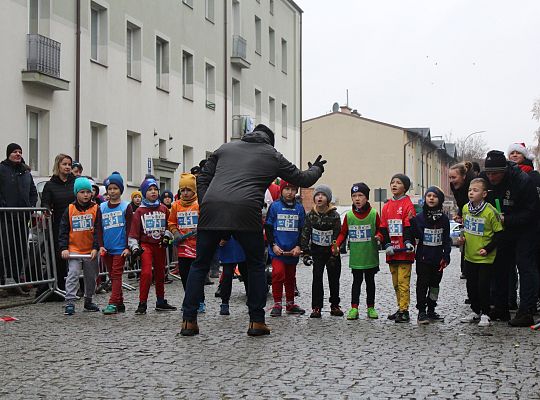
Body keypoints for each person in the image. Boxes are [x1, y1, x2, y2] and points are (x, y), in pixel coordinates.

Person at [180, 124, 324, 337]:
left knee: (199, 265)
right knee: (255, 265)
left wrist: (207, 201)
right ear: (269, 141)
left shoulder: (225, 148)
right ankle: (256, 321)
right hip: (246, 212)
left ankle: (188, 321)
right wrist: (317, 168)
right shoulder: (271, 154)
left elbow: (202, 178)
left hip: (211, 211)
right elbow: (303, 179)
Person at [479, 150, 539, 327]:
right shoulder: (485, 179)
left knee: (525, 265)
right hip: (503, 229)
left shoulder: (522, 180)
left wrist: (508, 219)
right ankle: (500, 306)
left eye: (496, 173)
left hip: (526, 228)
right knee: (500, 265)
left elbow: (532, 212)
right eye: (489, 173)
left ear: (504, 170)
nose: (492, 177)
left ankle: (526, 311)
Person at [128, 177, 177, 315]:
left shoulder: (163, 208)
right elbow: (133, 232)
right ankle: (142, 303)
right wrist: (134, 247)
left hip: (160, 245)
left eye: (155, 189)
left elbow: (170, 224)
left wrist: (168, 236)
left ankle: (160, 301)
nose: (153, 192)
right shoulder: (139, 211)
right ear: (144, 193)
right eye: (150, 190)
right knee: (146, 273)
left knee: (161, 273)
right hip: (146, 245)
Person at [459, 178, 503, 327]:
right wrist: (462, 238)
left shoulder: (491, 211)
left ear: (484, 193)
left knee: (483, 286)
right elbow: (465, 227)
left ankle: (485, 313)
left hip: (485, 257)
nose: (471, 193)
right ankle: (475, 310)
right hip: (469, 255)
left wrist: (488, 248)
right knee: (471, 286)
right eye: (470, 190)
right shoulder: (465, 208)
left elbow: (499, 234)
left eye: (475, 190)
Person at [335, 183, 383, 320]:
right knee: (356, 282)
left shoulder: (374, 214)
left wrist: (379, 236)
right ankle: (354, 308)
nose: (357, 199)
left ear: (366, 198)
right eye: (354, 196)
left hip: (370, 256)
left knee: (370, 282)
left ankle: (371, 307)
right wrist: (337, 245)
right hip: (356, 257)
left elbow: (380, 229)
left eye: (360, 195)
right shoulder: (349, 216)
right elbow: (343, 233)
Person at [58, 177, 102, 315]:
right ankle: (70, 301)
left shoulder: (96, 208)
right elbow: (63, 230)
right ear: (76, 193)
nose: (85, 195)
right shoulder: (70, 209)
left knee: (91, 277)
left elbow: (98, 230)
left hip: (90, 250)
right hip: (74, 250)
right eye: (82, 192)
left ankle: (88, 300)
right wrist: (64, 248)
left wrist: (96, 247)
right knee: (73, 274)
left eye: (88, 192)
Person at [410, 186, 451, 324]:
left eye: (434, 196)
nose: (431, 198)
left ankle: (431, 309)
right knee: (422, 285)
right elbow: (417, 236)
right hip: (423, 258)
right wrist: (413, 223)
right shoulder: (419, 218)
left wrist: (446, 256)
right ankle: (421, 311)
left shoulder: (444, 219)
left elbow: (446, 239)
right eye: (429, 196)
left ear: (439, 200)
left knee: (435, 285)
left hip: (438, 258)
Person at [301, 184, 342, 319]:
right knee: (317, 279)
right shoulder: (311, 215)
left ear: (328, 199)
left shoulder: (334, 215)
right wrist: (305, 251)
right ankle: (316, 307)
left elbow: (338, 235)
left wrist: (335, 250)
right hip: (317, 251)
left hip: (331, 252)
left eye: (323, 195)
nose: (320, 197)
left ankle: (335, 305)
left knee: (334, 279)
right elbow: (305, 233)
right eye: (317, 195)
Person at [507, 142, 540, 311]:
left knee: (528, 266)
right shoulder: (507, 176)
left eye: (517, 153)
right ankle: (511, 299)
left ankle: (530, 302)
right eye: (511, 153)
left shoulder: (533, 176)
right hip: (511, 227)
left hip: (530, 227)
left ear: (524, 156)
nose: (514, 155)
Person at [265, 180, 305, 317]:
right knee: (278, 274)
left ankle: (290, 304)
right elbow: (268, 228)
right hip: (277, 250)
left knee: (290, 277)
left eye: (293, 189)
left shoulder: (299, 208)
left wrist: (299, 246)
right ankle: (277, 303)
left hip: (292, 251)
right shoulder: (275, 207)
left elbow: (302, 230)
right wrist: (273, 245)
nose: (290, 192)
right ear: (281, 190)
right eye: (286, 189)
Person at [380, 174, 416, 323]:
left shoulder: (408, 204)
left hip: (404, 252)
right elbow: (383, 227)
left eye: (398, 183)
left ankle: (404, 310)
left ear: (405, 187)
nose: (394, 185)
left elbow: (409, 225)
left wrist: (408, 242)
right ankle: (399, 307)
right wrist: (386, 244)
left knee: (403, 281)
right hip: (392, 252)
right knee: (395, 282)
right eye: (392, 182)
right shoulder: (387, 206)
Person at [0, 143, 38, 286]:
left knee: (21, 250)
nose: (18, 154)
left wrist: (31, 206)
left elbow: (33, 192)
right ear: (8, 153)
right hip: (5, 218)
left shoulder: (25, 172)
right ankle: (3, 280)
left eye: (20, 152)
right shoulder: (2, 169)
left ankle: (16, 280)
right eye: (15, 151)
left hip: (22, 218)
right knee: (5, 249)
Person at [167, 173, 205, 310]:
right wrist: (175, 233)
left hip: (197, 247)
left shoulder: (199, 205)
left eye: (188, 190)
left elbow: (205, 220)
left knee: (196, 275)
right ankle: (189, 299)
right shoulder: (176, 205)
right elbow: (171, 222)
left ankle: (200, 301)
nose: (185, 193)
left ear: (194, 190)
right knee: (184, 275)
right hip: (182, 248)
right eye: (182, 190)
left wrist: (200, 229)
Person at [41, 154, 76, 292]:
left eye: (69, 164)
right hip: (59, 225)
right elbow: (45, 202)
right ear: (58, 165)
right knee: (60, 256)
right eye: (64, 164)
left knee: (77, 256)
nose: (67, 167)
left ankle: (80, 286)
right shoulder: (50, 185)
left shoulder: (75, 182)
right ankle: (60, 286)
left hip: (76, 223)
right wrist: (47, 210)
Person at [100, 172, 132, 315]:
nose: (112, 191)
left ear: (120, 190)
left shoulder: (126, 207)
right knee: (111, 274)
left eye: (115, 188)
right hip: (106, 248)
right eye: (110, 188)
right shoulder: (102, 207)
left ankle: (112, 303)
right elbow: (99, 229)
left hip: (120, 248)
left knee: (117, 274)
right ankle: (120, 302)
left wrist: (128, 247)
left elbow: (130, 228)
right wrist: (100, 245)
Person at [449, 161, 475, 280]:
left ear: (463, 176)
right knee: (464, 243)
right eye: (450, 177)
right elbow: (462, 203)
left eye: (454, 177)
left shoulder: (472, 185)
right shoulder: (454, 186)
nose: (452, 180)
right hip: (465, 219)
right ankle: (465, 270)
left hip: (475, 219)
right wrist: (460, 214)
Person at [217, 236, 248, 315]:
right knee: (227, 274)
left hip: (242, 240)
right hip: (228, 243)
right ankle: (224, 303)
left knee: (246, 273)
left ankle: (251, 300)